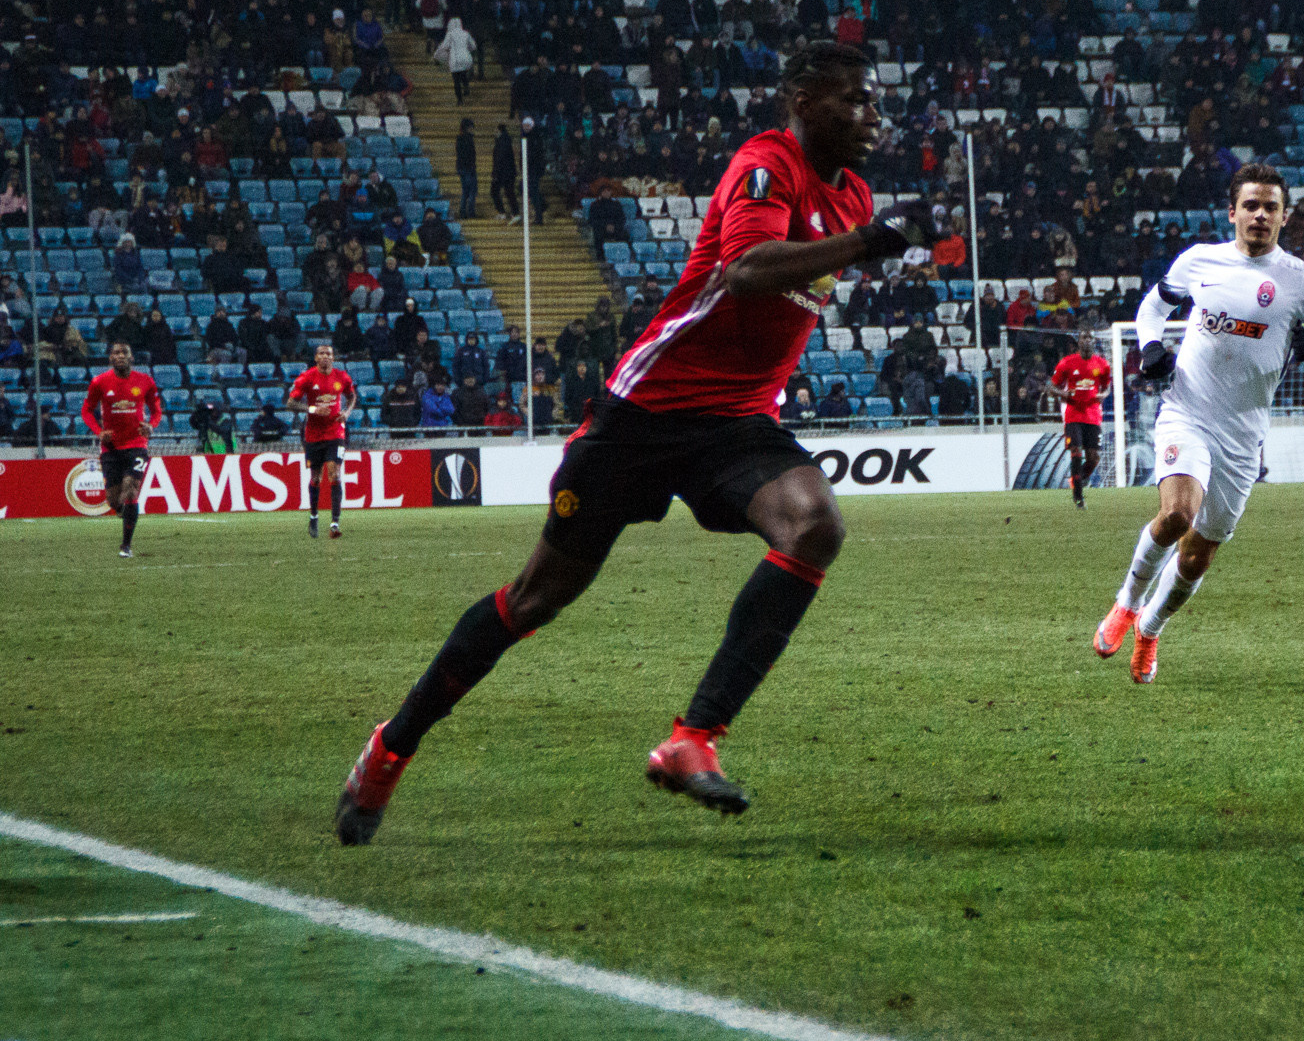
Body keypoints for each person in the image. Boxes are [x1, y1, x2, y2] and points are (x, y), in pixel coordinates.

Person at [333, 41, 938, 844]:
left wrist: (867, 233)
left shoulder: (851, 193)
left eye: (875, 101)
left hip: (734, 423)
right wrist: (875, 242)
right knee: (536, 599)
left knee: (815, 525)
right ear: (802, 96)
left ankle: (694, 738)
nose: (872, 115)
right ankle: (391, 746)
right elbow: (749, 268)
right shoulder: (766, 165)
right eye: (855, 98)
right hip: (643, 416)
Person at [1090, 163, 1304, 684]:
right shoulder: (1199, 261)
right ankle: (1126, 602)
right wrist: (1149, 349)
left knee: (1197, 557)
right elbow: (1152, 310)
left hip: (1243, 435)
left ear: (1285, 217)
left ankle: (1151, 629)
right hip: (1187, 412)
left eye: (1271, 207)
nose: (1260, 215)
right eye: (1251, 206)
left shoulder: (1301, 281)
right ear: (1232, 212)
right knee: (1176, 517)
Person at [81, 340, 162, 558]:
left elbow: (156, 411)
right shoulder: (100, 382)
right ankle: (121, 510)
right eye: (115, 353)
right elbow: (86, 411)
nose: (120, 356)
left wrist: (151, 426)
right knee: (114, 500)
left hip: (137, 445)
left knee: (132, 489)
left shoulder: (145, 381)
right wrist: (99, 431)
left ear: (131, 357)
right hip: (111, 448)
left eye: (124, 352)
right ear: (110, 358)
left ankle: (126, 546)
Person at [287, 342, 357, 540]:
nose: (326, 356)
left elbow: (352, 396)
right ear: (316, 358)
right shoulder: (307, 377)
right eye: (322, 353)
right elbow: (290, 403)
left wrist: (347, 412)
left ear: (333, 358)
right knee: (316, 478)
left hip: (336, 432)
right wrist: (312, 409)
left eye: (329, 353)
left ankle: (335, 523)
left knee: (334, 474)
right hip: (314, 435)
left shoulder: (342, 377)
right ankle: (314, 516)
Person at [1050, 337, 1112, 509]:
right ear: (1079, 343)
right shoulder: (1067, 363)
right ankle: (1078, 497)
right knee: (1076, 452)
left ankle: (1079, 478)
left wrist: (1103, 395)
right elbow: (1052, 387)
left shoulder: (1102, 364)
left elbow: (1107, 387)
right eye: (1083, 338)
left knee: (1094, 458)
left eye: (1089, 338)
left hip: (1093, 416)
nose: (1086, 341)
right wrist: (1064, 394)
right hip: (1073, 414)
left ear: (1093, 342)